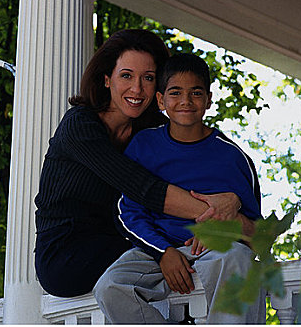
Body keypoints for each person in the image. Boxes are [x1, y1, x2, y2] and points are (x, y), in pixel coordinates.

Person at [34, 29, 243, 298]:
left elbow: (199, 165)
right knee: (183, 253)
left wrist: (232, 199)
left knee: (196, 251)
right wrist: (216, 214)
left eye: (148, 78)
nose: (137, 89)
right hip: (67, 255)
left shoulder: (151, 132)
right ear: (107, 79)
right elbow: (144, 188)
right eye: (126, 76)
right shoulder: (79, 125)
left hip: (124, 239)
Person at [93, 53, 265, 323]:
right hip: (155, 250)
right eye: (175, 93)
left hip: (217, 251)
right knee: (111, 286)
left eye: (196, 93)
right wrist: (164, 251)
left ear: (209, 99)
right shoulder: (143, 146)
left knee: (239, 260)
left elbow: (258, 237)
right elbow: (128, 212)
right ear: (161, 100)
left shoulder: (233, 157)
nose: (186, 101)